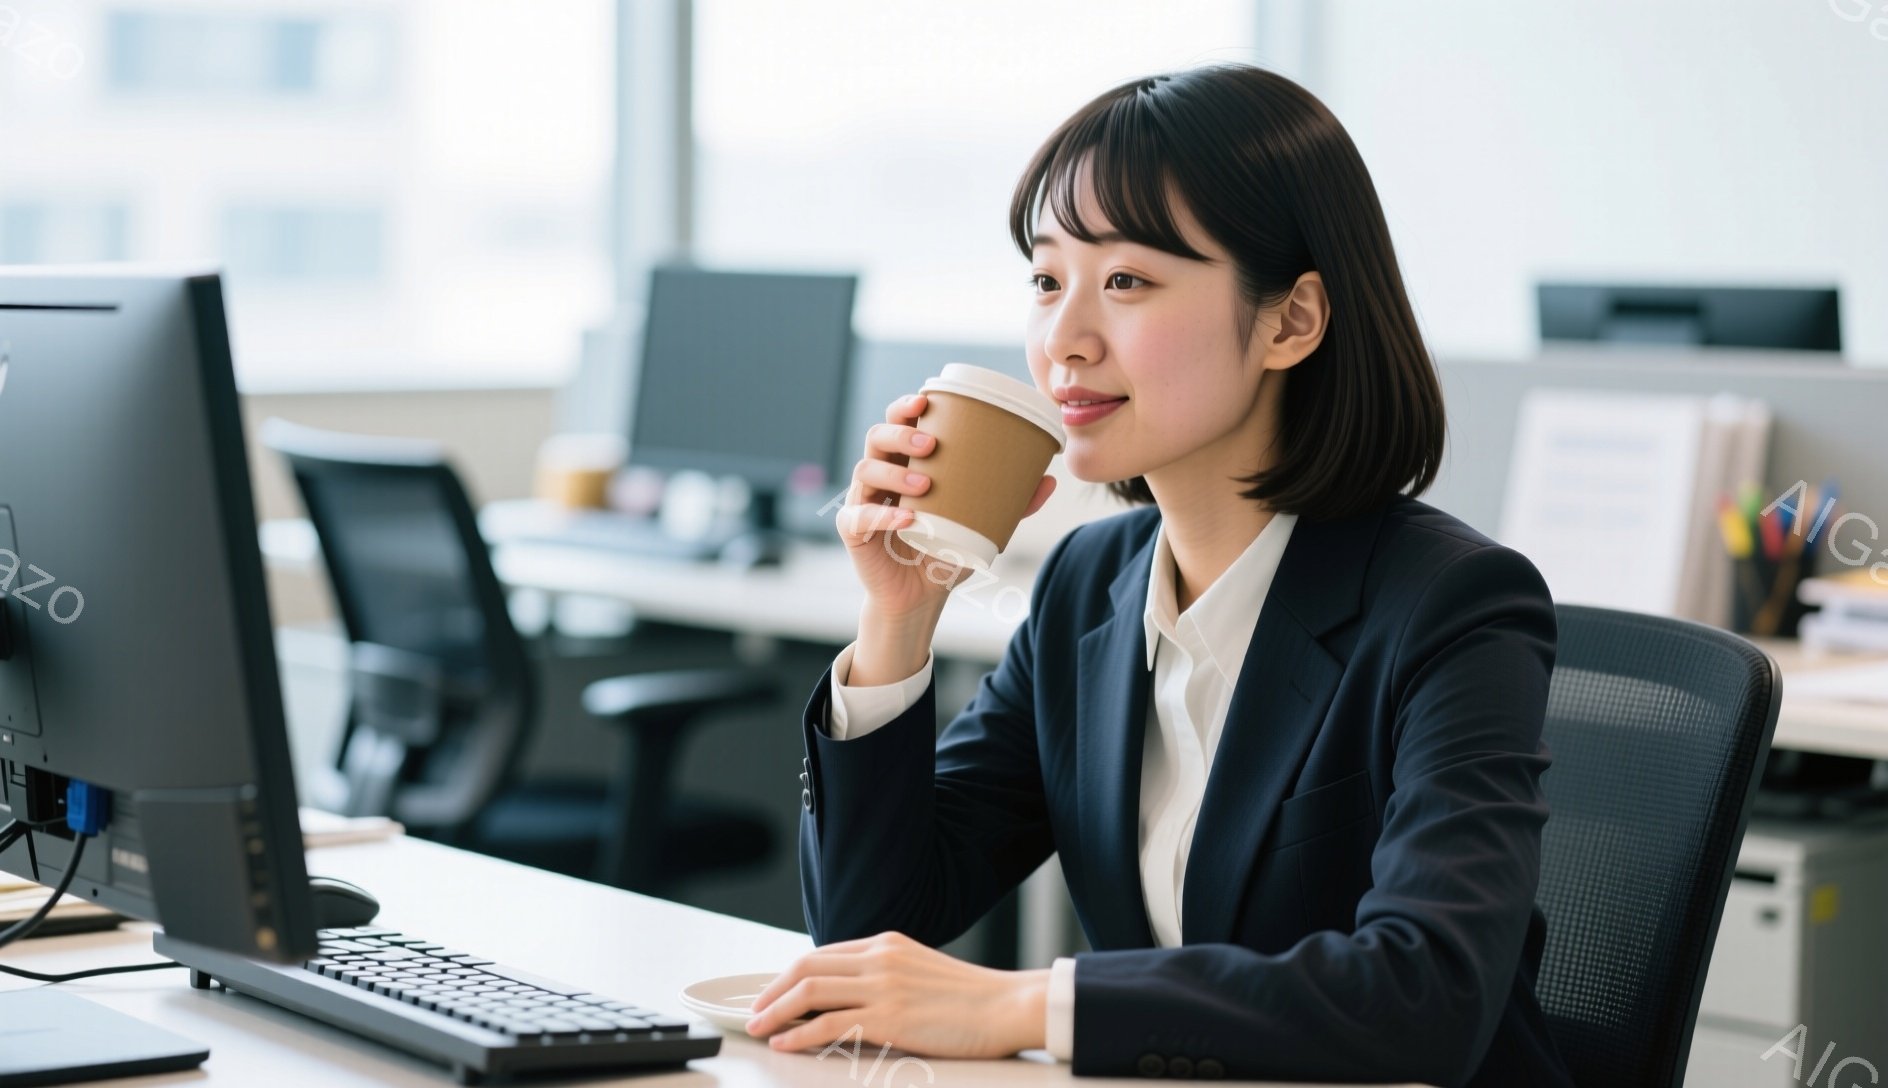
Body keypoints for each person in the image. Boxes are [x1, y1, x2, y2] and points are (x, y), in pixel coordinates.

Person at [744, 64, 1574, 1087]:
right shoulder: (1087, 583)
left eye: (1126, 281)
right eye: (1047, 280)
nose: (1065, 340)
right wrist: (897, 616)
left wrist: (1019, 1001)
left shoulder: (1451, 604)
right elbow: (874, 929)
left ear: (1290, 321)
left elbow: (1425, 993)